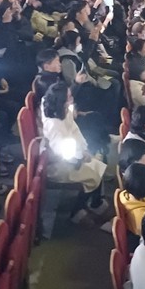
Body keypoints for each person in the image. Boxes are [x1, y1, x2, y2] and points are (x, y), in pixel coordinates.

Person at [41, 81, 109, 225]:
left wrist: (84, 148)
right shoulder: (54, 124)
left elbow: (74, 129)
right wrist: (81, 156)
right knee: (93, 174)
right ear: (61, 101)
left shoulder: (61, 108)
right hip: (57, 164)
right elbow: (62, 151)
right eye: (69, 97)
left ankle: (95, 203)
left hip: (72, 154)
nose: (72, 99)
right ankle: (77, 212)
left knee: (97, 161)